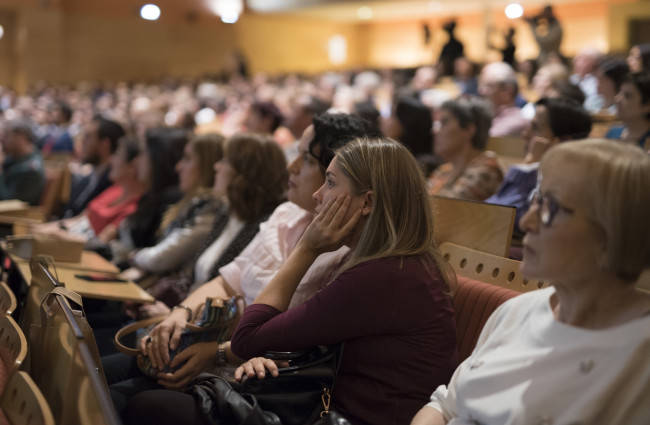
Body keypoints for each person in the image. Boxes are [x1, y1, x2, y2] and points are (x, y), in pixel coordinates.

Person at [122, 137, 459, 425]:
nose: (317, 196)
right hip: (324, 406)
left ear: (367, 203)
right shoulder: (396, 265)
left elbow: (246, 338)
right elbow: (288, 343)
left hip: (341, 417)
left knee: (147, 405)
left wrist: (306, 249)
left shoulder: (383, 275)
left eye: (330, 182)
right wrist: (266, 356)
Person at [106, 113, 377, 409]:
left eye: (308, 161)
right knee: (98, 375)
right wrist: (179, 313)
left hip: (249, 378)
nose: (292, 166)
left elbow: (294, 339)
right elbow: (226, 279)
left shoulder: (347, 250)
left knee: (131, 402)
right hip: (214, 348)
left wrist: (217, 352)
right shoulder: (285, 214)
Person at [411, 139, 650, 425]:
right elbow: (444, 405)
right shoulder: (518, 310)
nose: (527, 221)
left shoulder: (639, 356)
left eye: (552, 208)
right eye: (537, 199)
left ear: (612, 232)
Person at [136, 132, 288, 316]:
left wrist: (172, 315)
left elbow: (233, 302)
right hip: (183, 315)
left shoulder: (263, 226)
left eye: (225, 161)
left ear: (245, 173)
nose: (216, 166)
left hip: (200, 328)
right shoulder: (227, 213)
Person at [121, 133, 225, 282]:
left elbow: (162, 258)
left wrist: (134, 256)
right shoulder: (190, 203)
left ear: (207, 166)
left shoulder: (210, 208)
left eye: (188, 159)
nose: (178, 167)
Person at [485, 97, 592, 237]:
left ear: (563, 142)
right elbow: (488, 210)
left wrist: (528, 166)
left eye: (535, 128)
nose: (525, 134)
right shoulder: (540, 173)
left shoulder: (567, 185)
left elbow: (497, 217)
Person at [32, 136, 143, 243]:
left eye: (118, 155)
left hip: (78, 251)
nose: (112, 160)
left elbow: (101, 242)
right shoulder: (115, 190)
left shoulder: (135, 206)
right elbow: (80, 218)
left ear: (132, 167)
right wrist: (49, 228)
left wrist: (57, 234)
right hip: (66, 238)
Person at [109, 127, 186, 265]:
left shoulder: (170, 201)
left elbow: (155, 256)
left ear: (158, 159)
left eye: (143, 153)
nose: (137, 161)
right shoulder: (151, 196)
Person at [428, 97, 504, 201]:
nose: (435, 131)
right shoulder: (444, 170)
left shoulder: (486, 170)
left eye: (444, 122)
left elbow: (448, 211)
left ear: (469, 129)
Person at [64, 115, 125, 217]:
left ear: (105, 144)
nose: (82, 141)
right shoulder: (90, 176)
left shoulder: (112, 183)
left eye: (88, 137)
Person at [381, 95, 439, 175]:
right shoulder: (389, 155)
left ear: (407, 124)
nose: (384, 120)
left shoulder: (417, 167)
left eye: (392, 115)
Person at [0, 119, 45, 205]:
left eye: (6, 136)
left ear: (20, 138)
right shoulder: (14, 157)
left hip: (13, 215)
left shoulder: (30, 170)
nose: (2, 141)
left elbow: (8, 201)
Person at [479, 62, 529, 138]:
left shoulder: (516, 121)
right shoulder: (492, 117)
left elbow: (485, 140)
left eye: (488, 86)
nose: (481, 91)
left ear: (506, 90)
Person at [606, 71, 650, 151]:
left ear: (647, 105)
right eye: (619, 93)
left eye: (627, 96)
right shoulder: (614, 132)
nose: (617, 99)